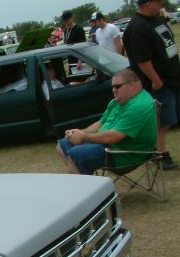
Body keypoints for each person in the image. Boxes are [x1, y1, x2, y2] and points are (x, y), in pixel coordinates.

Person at [56, 69, 157, 175]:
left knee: (75, 155)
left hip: (123, 154)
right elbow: (100, 124)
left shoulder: (138, 106)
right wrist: (77, 133)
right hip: (107, 145)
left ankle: (86, 182)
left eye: (117, 86)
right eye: (112, 87)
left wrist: (84, 137)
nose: (114, 90)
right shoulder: (117, 101)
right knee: (62, 144)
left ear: (131, 85)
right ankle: (87, 179)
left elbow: (113, 137)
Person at [123, 0, 179, 170]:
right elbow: (142, 60)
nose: (160, 4)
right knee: (163, 121)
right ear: (148, 3)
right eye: (157, 1)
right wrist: (156, 80)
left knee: (171, 119)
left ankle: (157, 152)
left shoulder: (157, 19)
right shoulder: (137, 27)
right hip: (158, 83)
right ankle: (160, 155)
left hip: (172, 78)